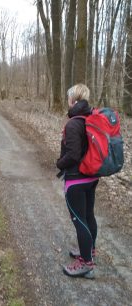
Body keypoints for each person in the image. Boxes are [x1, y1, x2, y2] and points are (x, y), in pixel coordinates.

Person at [56, 84, 99, 279]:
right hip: (91, 177)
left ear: (72, 99)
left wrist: (59, 163)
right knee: (88, 215)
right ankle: (90, 251)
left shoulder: (73, 123)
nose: (67, 100)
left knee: (79, 220)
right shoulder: (90, 119)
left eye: (68, 97)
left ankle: (86, 264)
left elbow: (72, 155)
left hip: (76, 179)